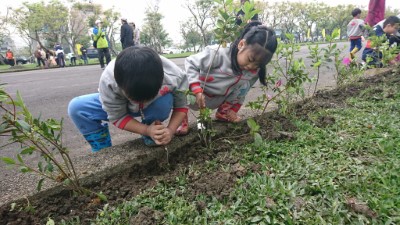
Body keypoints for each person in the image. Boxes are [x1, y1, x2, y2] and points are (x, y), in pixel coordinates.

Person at [68, 46, 189, 152]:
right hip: (121, 104)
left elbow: (181, 106)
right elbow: (117, 116)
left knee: (164, 101)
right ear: (119, 84)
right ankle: (102, 148)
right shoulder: (109, 81)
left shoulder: (174, 76)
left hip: (156, 105)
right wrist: (146, 130)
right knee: (77, 107)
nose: (142, 102)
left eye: (147, 98)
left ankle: (154, 131)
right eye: (135, 98)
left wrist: (170, 131)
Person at [182, 21, 277, 133]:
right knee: (180, 81)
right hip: (195, 95)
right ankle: (181, 118)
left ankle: (224, 113)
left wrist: (234, 109)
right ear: (241, 44)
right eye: (250, 60)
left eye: (258, 64)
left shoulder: (253, 71)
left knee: (244, 86)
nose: (251, 66)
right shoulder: (218, 53)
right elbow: (191, 63)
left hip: (219, 98)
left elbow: (242, 93)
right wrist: (196, 90)